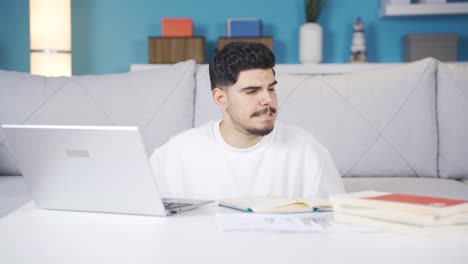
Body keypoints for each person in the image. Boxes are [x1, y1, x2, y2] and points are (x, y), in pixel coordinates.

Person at [150, 42, 344, 200]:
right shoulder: (174, 156)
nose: (267, 99)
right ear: (220, 99)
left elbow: (336, 224)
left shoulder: (307, 152)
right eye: (252, 91)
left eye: (271, 88)